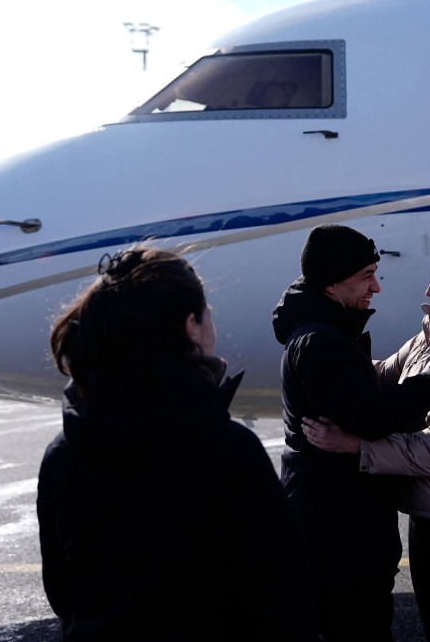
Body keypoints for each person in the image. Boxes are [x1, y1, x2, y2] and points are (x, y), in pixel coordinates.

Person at [37, 246, 317, 641]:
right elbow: (284, 594)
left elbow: (63, 594)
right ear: (191, 326)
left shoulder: (63, 454)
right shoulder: (228, 450)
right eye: (208, 315)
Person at [272, 224, 430, 642]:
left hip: (340, 534)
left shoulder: (328, 332)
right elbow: (374, 415)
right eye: (366, 276)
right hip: (341, 541)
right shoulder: (324, 342)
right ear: (331, 282)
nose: (376, 286)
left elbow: (374, 383)